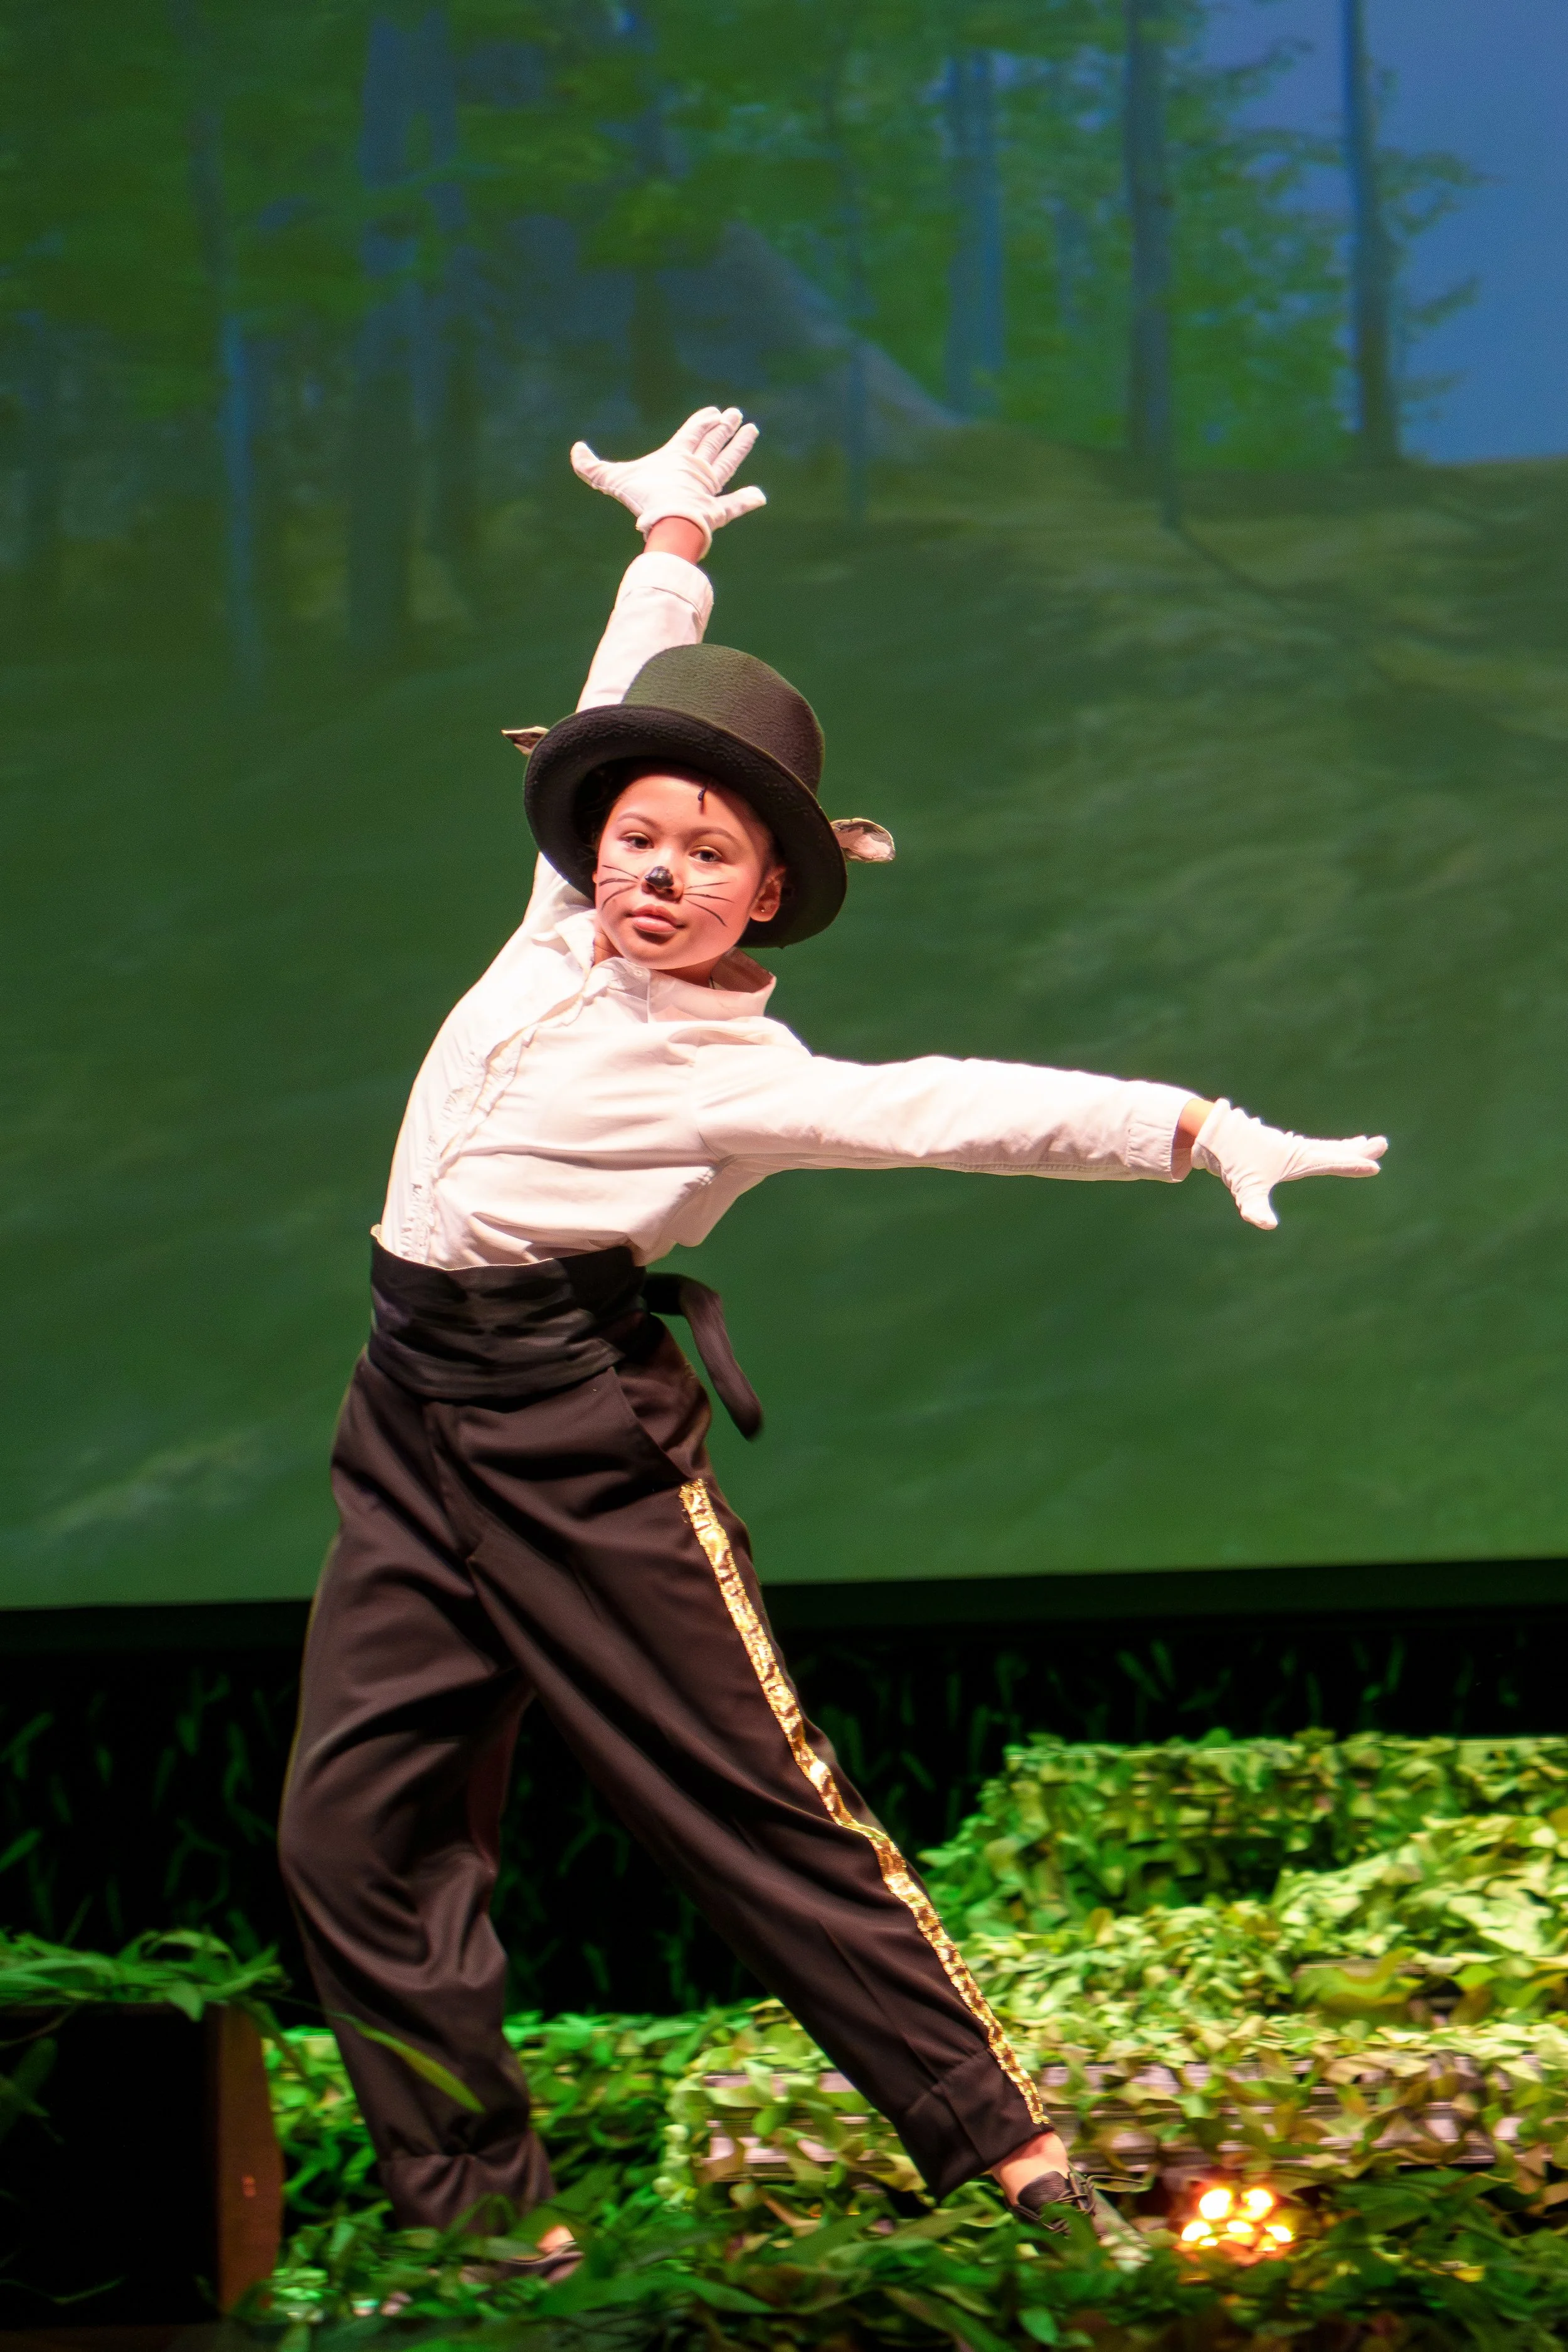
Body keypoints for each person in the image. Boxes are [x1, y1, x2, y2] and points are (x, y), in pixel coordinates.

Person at [278, 406, 1385, 2254]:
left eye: (702, 856)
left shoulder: (744, 1072)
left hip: (570, 1429)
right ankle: (481, 2227)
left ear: (767, 891)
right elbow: (623, 682)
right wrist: (676, 534)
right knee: (353, 1836)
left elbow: (957, 1101)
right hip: (409, 1409)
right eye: (635, 836)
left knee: (759, 1804)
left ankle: (1029, 2167)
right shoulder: (561, 920)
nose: (653, 872)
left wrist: (1190, 1128)